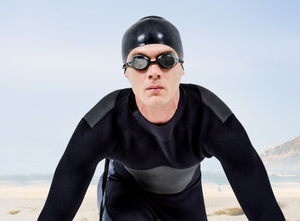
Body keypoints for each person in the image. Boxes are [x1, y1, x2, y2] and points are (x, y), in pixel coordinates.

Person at [38, 16, 285, 221]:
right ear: (126, 72)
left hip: (186, 202)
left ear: (181, 68)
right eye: (139, 61)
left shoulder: (210, 119)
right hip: (126, 197)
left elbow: (262, 206)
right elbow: (57, 210)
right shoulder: (105, 122)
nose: (153, 72)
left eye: (166, 60)